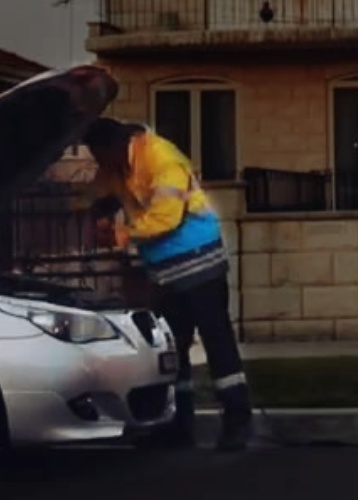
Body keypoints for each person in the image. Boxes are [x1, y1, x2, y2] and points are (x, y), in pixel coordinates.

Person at [77, 117, 254, 452]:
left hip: (200, 261)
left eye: (98, 156)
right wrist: (92, 209)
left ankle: (237, 420)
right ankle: (178, 426)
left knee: (217, 341)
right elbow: (101, 191)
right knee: (172, 350)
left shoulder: (162, 157)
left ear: (114, 147)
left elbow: (166, 217)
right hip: (166, 270)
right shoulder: (119, 165)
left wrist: (119, 234)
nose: (99, 165)